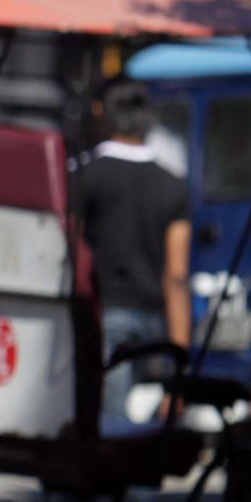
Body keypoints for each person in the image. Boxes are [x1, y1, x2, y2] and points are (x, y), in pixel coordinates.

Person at [68, 78, 191, 435]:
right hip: (155, 320)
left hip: (106, 312)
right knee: (147, 429)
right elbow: (177, 275)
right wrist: (180, 363)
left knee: (110, 422)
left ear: (102, 115)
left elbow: (67, 249)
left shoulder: (86, 176)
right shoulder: (173, 185)